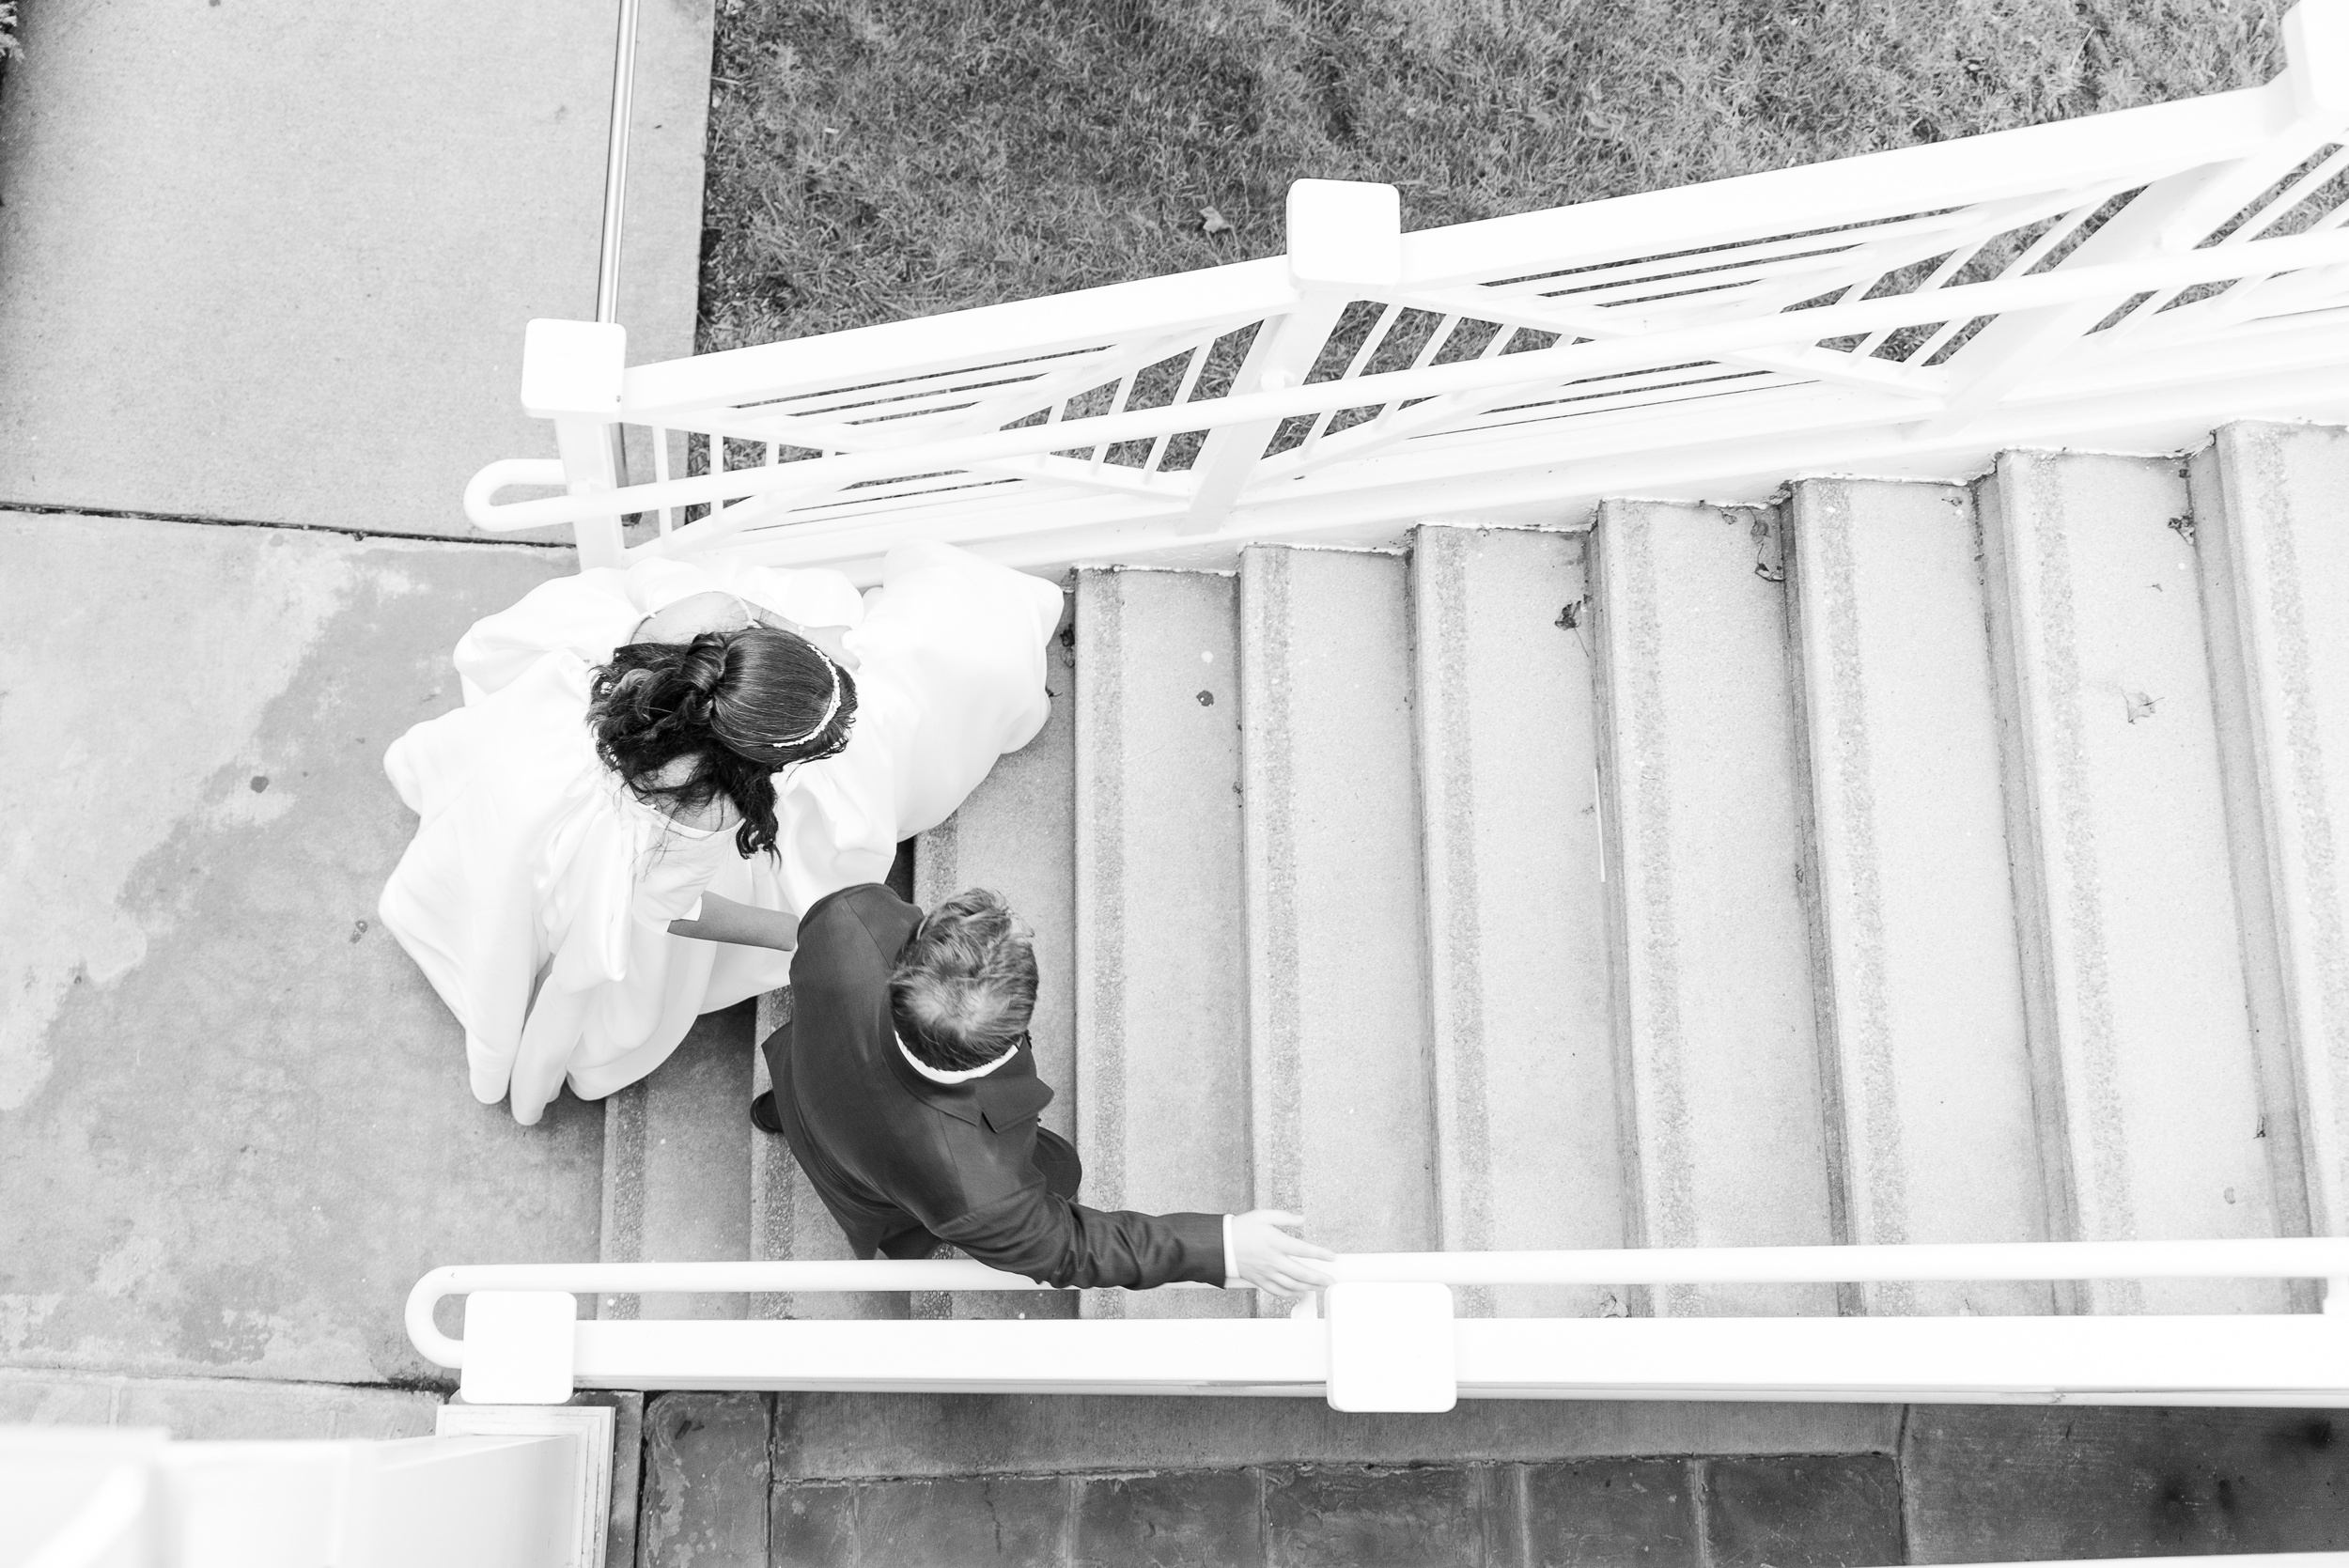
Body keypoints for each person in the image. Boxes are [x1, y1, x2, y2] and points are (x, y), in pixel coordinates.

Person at [379, 540, 1064, 1126]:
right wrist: (802, 936)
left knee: (497, 846)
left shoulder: (703, 631)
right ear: (760, 762)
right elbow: (679, 911)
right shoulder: (706, 814)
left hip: (545, 756)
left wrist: (788, 636)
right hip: (612, 842)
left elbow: (677, 623)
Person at [754, 882, 1337, 1296]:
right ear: (1013, 1033)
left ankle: (775, 1111)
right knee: (1060, 1173)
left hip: (808, 1080)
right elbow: (1074, 1249)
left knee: (823, 1089)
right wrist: (1227, 1246)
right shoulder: (980, 1193)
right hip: (874, 1186)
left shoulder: (849, 920)